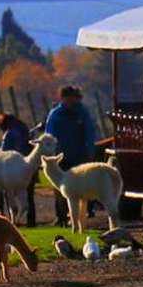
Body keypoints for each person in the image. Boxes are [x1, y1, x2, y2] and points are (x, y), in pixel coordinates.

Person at [43, 86, 102, 227]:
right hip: (60, 157)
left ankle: (83, 215)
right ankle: (61, 215)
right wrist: (50, 152)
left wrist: (90, 152)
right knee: (59, 188)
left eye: (73, 98)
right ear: (63, 98)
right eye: (68, 98)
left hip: (79, 156)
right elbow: (49, 135)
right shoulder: (55, 114)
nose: (71, 101)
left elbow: (89, 133)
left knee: (82, 186)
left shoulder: (82, 113)